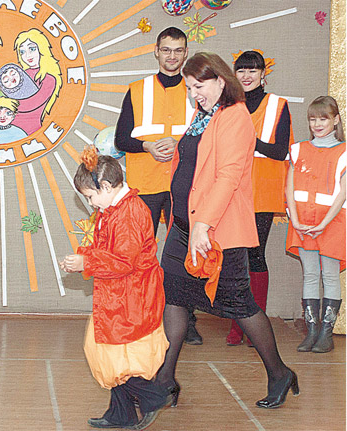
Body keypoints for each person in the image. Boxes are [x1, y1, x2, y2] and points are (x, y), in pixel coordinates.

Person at [155, 52, 298, 411]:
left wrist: (203, 225)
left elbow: (228, 176)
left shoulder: (236, 116)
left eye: (198, 86)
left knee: (239, 304)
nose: (194, 94)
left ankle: (279, 373)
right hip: (182, 227)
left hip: (216, 231)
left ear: (220, 81)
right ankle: (165, 380)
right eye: (189, 88)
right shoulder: (203, 115)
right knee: (174, 297)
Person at [60, 146, 171, 430]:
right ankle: (121, 413)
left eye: (90, 196)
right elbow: (106, 249)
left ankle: (155, 396)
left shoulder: (129, 212)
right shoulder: (112, 209)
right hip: (117, 293)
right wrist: (83, 258)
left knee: (117, 357)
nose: (91, 203)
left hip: (132, 295)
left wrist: (86, 262)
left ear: (107, 186)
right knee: (110, 353)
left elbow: (123, 261)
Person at [115, 26, 202, 345]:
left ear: (186, 53)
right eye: (166, 49)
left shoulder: (196, 90)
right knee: (140, 254)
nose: (172, 56)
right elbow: (121, 139)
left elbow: (209, 137)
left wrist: (180, 146)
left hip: (184, 185)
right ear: (156, 51)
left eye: (178, 50)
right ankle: (141, 317)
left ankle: (187, 320)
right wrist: (148, 146)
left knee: (188, 255)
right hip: (145, 184)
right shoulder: (137, 89)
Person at [225, 51, 294, 346]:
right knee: (233, 256)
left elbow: (280, 151)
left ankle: (256, 324)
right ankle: (236, 321)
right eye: (241, 70)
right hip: (232, 190)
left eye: (253, 70)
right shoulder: (227, 104)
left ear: (264, 74)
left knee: (255, 255)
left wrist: (249, 140)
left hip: (263, 192)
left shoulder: (278, 105)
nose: (247, 76)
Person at [286, 96, 345, 353]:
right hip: (302, 223)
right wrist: (295, 219)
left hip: (332, 223)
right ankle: (311, 331)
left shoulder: (344, 152)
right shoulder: (298, 149)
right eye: (313, 119)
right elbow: (289, 187)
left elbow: (343, 193)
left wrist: (324, 223)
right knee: (310, 274)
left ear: (336, 120)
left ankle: (325, 334)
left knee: (329, 275)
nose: (317, 124)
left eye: (323, 118)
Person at [12, 29, 62, 135]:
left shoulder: (49, 79)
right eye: (22, 52)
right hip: (9, 125)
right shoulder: (22, 74)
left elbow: (32, 103)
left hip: (30, 129)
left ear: (42, 49)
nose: (27, 55)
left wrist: (8, 103)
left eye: (32, 49)